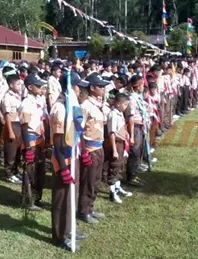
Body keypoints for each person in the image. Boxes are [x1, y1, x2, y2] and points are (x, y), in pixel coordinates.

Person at [50, 72, 89, 251]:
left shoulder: (71, 104)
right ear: (69, 87)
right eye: (76, 85)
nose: (79, 89)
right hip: (62, 159)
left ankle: (69, 230)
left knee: (70, 197)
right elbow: (58, 142)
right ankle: (59, 236)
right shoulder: (60, 108)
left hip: (72, 156)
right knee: (61, 199)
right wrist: (64, 168)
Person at [78, 73, 107, 224]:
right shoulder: (85, 107)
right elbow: (79, 131)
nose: (103, 89)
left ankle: (90, 207)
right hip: (89, 149)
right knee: (88, 180)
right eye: (101, 87)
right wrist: (83, 152)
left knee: (96, 180)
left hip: (99, 146)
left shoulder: (97, 105)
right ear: (92, 88)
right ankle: (83, 211)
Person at [20, 74, 47, 211]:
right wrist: (28, 148)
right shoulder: (26, 103)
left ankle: (37, 198)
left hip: (39, 140)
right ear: (30, 87)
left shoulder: (38, 101)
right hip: (30, 140)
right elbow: (24, 126)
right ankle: (28, 200)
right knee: (30, 171)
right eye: (38, 85)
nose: (41, 87)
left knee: (39, 172)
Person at [106, 92, 132, 203]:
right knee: (114, 167)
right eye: (125, 104)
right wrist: (115, 150)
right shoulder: (113, 114)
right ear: (118, 103)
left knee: (120, 167)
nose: (126, 107)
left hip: (121, 143)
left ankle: (118, 187)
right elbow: (112, 133)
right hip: (116, 143)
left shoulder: (120, 114)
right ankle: (112, 192)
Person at [1, 74, 23, 184]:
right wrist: (10, 131)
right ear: (11, 85)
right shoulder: (7, 98)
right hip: (12, 125)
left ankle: (15, 171)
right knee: (11, 152)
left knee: (18, 151)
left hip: (19, 125)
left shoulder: (17, 95)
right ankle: (9, 173)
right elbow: (7, 116)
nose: (20, 86)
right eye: (18, 84)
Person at [125, 75, 146, 187]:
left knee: (138, 151)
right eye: (142, 84)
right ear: (137, 86)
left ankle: (134, 173)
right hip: (135, 127)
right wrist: (132, 135)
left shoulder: (137, 97)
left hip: (140, 126)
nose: (143, 86)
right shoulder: (132, 99)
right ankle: (131, 176)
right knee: (134, 152)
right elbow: (131, 118)